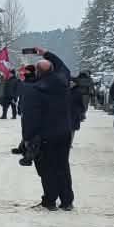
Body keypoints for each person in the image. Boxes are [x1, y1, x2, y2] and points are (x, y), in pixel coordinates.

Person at [20, 52, 77, 212]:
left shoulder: (34, 90)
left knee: (46, 168)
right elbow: (63, 67)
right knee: (62, 166)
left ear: (37, 72)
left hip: (44, 134)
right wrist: (45, 53)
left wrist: (27, 138)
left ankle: (50, 200)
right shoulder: (63, 84)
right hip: (64, 132)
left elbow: (29, 117)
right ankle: (67, 200)